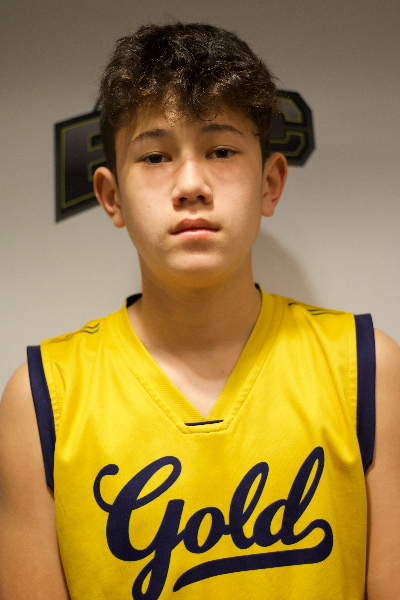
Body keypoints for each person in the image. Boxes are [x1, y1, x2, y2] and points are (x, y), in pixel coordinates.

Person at [0, 22, 399, 600]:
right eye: (155, 156)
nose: (191, 184)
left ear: (270, 182)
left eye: (221, 150)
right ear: (111, 196)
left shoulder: (366, 369)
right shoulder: (41, 399)